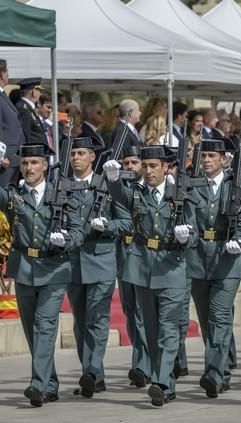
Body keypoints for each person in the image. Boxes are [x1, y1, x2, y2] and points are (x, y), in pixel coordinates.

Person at [0, 140, 84, 407]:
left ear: (45, 166)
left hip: (54, 269)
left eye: (35, 163)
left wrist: (67, 240)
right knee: (31, 330)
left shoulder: (61, 194)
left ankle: (38, 385)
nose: (29, 168)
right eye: (25, 163)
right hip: (24, 268)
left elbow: (78, 231)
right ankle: (50, 384)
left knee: (44, 326)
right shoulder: (14, 195)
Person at [103, 145, 198, 406]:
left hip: (172, 269)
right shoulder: (137, 193)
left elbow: (195, 233)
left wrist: (187, 236)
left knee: (168, 330)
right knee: (153, 330)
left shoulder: (180, 194)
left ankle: (160, 381)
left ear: (165, 167)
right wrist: (112, 180)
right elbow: (121, 197)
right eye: (144, 166)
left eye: (153, 166)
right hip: (144, 270)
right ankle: (166, 384)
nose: (148, 171)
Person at [66, 137, 131, 398]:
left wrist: (108, 226)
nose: (76, 158)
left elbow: (126, 222)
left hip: (101, 259)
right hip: (73, 262)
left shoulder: (107, 185)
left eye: (81, 153)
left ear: (93, 157)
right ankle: (93, 375)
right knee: (80, 323)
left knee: (98, 319)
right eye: (73, 153)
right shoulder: (63, 185)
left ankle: (92, 371)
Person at [187, 137, 241, 398]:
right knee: (206, 320)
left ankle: (213, 373)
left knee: (219, 317)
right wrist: (187, 234)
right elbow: (188, 220)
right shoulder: (194, 188)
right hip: (199, 259)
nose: (206, 161)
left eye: (212, 157)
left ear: (224, 160)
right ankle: (221, 372)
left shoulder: (236, 186)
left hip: (227, 260)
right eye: (203, 156)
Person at [114, 146, 151, 387]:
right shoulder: (116, 189)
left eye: (134, 163)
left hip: (143, 255)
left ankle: (143, 364)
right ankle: (142, 360)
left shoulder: (146, 191)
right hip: (122, 255)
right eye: (126, 163)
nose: (129, 167)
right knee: (130, 311)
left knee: (142, 313)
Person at [0, 58, 23, 187]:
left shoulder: (0, 94)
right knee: (3, 197)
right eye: (7, 71)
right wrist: (2, 156)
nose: (8, 75)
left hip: (14, 156)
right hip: (6, 158)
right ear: (1, 74)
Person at [16, 77, 48, 147]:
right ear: (33, 92)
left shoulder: (28, 108)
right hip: (33, 153)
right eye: (39, 90)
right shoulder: (24, 109)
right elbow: (26, 135)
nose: (40, 94)